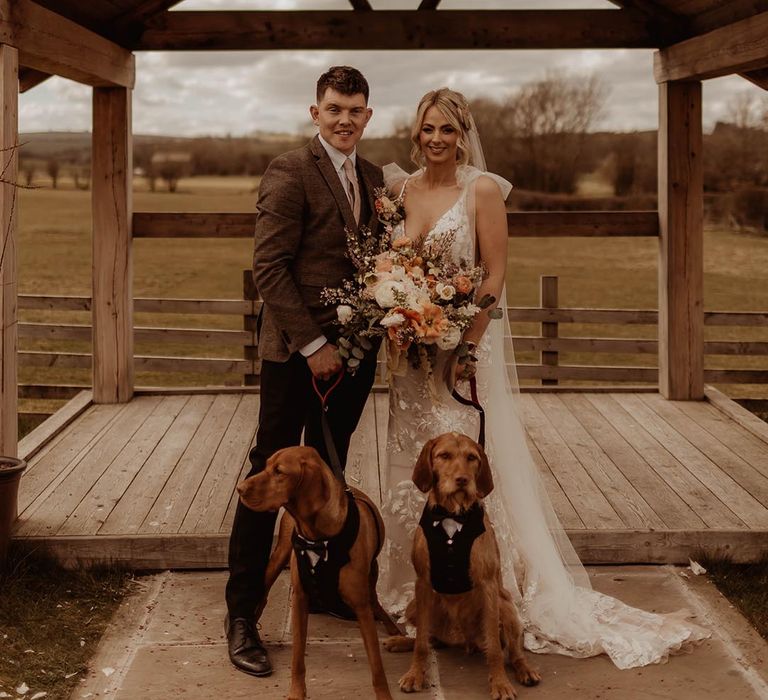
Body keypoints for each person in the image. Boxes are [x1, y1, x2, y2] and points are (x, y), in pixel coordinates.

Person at [379, 87, 709, 669]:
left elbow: (494, 275)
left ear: (463, 136)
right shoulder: (399, 190)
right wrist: (398, 315)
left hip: (458, 352)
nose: (436, 140)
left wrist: (468, 347)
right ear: (416, 131)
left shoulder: (481, 190)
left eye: (448, 131)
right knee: (416, 469)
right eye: (428, 128)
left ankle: (495, 591)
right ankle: (423, 598)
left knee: (466, 468)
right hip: (410, 359)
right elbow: (388, 268)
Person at [225, 66, 383, 677]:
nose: (345, 119)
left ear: (368, 116)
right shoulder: (290, 171)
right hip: (295, 356)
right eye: (335, 108)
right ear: (314, 112)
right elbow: (269, 269)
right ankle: (242, 614)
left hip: (354, 359)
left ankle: (319, 590)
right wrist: (314, 342)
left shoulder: (372, 179)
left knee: (327, 476)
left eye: (356, 109)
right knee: (268, 476)